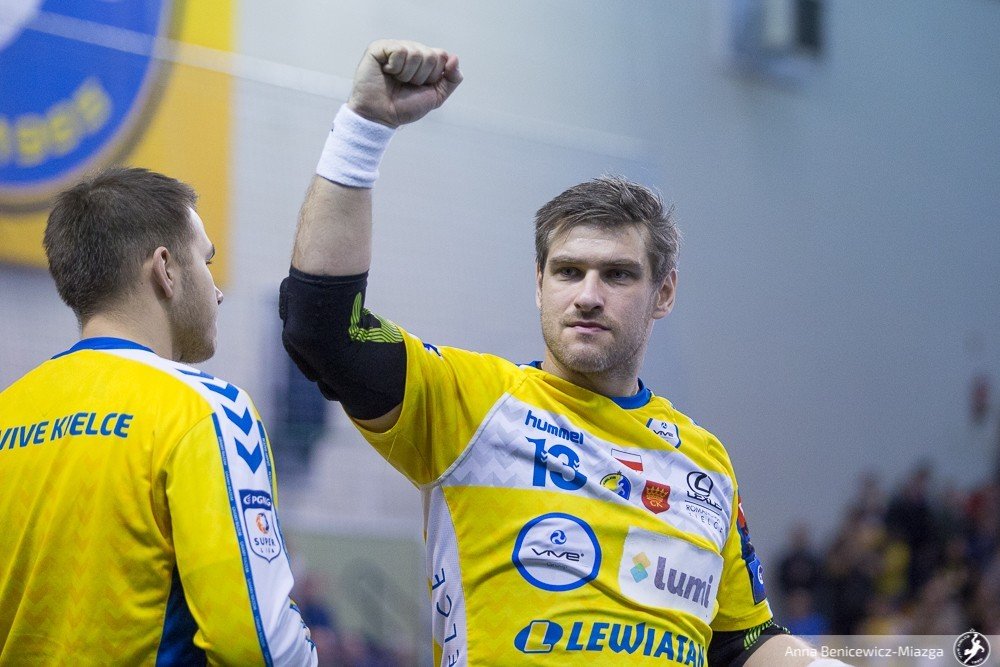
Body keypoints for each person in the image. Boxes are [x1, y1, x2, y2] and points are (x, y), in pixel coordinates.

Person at [280, 40, 836, 666]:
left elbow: (741, 642)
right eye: (569, 271)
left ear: (664, 292)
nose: (588, 296)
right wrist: (364, 126)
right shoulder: (472, 403)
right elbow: (323, 329)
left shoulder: (705, 464)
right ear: (538, 283)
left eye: (618, 275)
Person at [0, 167, 317, 665]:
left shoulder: (8, 412)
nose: (217, 290)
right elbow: (258, 645)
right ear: (165, 269)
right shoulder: (207, 410)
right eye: (206, 260)